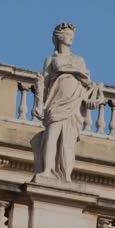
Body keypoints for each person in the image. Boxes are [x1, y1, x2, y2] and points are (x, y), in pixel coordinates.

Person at [31, 22, 103, 182]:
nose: (70, 38)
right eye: (67, 35)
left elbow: (87, 82)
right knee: (51, 134)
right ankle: (47, 170)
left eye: (72, 36)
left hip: (74, 100)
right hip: (56, 100)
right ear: (58, 37)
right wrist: (38, 103)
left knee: (68, 140)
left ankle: (66, 175)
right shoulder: (51, 59)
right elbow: (44, 82)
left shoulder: (79, 59)